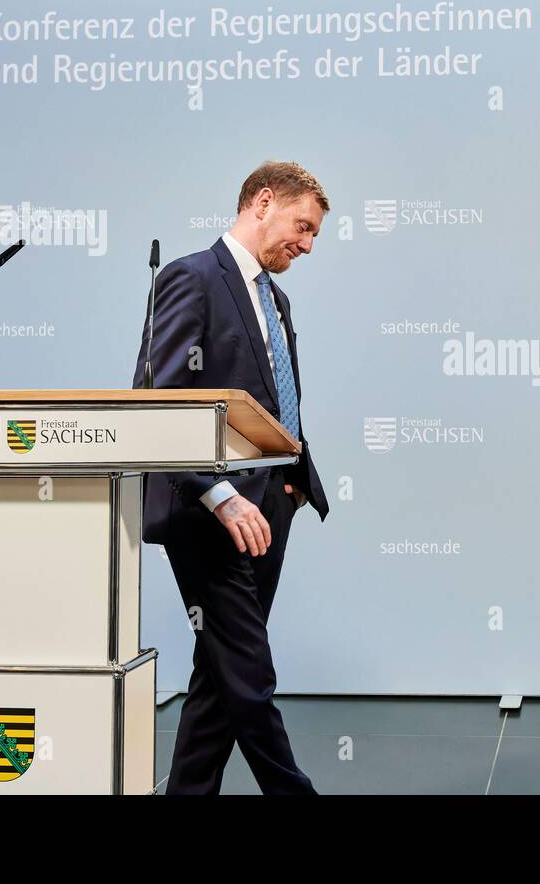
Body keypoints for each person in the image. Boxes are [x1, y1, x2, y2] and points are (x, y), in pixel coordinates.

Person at [133, 160, 330, 794]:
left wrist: (292, 486)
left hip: (272, 506)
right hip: (208, 512)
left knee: (219, 679)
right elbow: (159, 400)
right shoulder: (189, 278)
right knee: (249, 673)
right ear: (263, 202)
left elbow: (276, 398)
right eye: (302, 227)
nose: (305, 244)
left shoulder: (278, 299)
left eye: (313, 236)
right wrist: (219, 496)